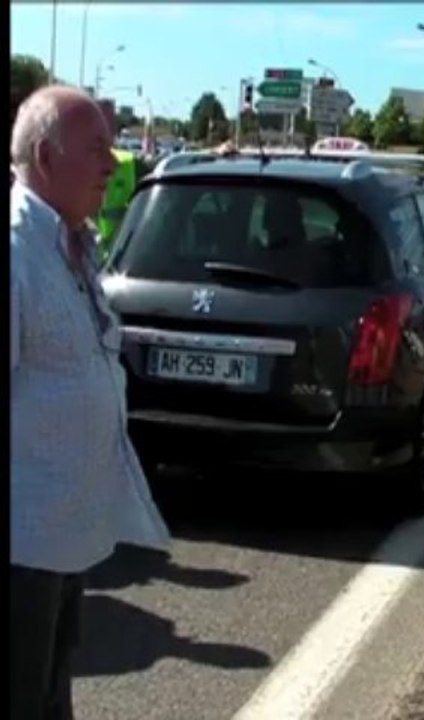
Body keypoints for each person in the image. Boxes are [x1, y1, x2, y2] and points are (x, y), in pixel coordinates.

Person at [11, 86, 171, 719]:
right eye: (98, 146)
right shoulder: (17, 251)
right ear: (47, 158)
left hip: (60, 534)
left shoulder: (71, 241)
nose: (113, 162)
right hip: (20, 545)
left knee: (48, 692)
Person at [96, 100, 137, 262]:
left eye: (110, 122)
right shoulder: (72, 165)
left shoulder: (129, 162)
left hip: (121, 259)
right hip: (86, 261)